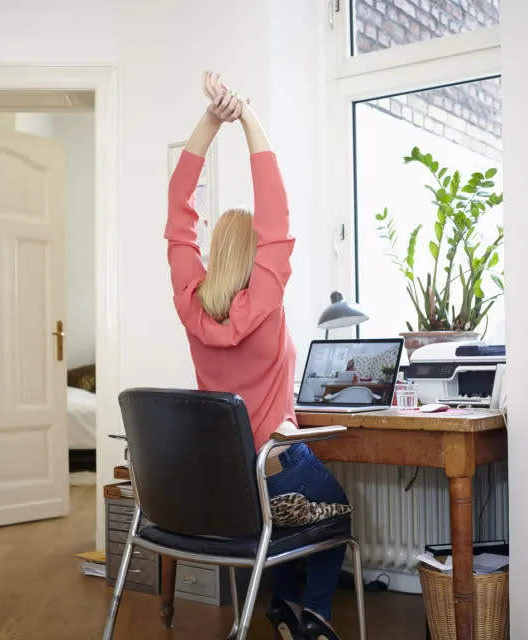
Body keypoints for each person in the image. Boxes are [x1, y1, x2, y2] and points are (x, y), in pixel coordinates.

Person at [165, 71, 350, 640]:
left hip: (223, 482)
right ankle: (312, 614)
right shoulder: (266, 298)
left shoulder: (189, 300)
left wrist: (210, 122)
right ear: (257, 256)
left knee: (293, 519)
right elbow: (276, 209)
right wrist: (244, 114)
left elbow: (178, 214)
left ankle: (283, 608)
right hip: (277, 467)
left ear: (214, 253)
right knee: (337, 514)